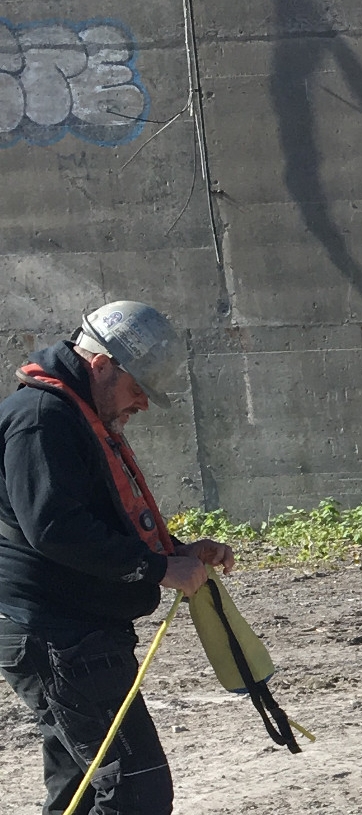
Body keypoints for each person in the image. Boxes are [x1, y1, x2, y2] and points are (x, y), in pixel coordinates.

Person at [0, 301, 235, 815]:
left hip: (68, 632)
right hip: (60, 636)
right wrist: (157, 568)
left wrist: (176, 552)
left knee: (78, 793)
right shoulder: (42, 420)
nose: (143, 406)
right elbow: (55, 529)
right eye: (138, 390)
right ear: (102, 364)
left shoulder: (70, 417)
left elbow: (96, 517)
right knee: (136, 792)